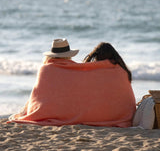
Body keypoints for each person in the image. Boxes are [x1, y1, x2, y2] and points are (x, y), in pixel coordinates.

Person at [8, 40, 136, 127]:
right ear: (68, 55)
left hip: (49, 112)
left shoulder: (46, 69)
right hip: (121, 116)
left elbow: (37, 98)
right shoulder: (120, 71)